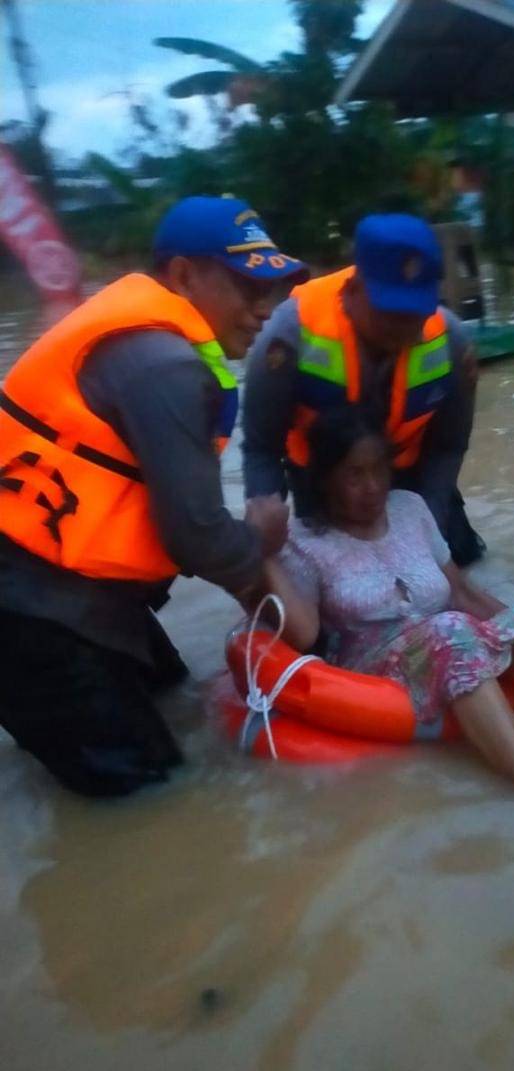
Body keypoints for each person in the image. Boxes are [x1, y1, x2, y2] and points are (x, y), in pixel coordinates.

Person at [0, 195, 308, 798]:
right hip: (34, 612)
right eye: (248, 287)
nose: (263, 309)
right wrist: (260, 541)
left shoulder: (147, 341)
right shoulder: (165, 362)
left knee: (175, 694)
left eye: (272, 289)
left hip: (65, 592)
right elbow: (194, 534)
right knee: (152, 797)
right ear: (185, 275)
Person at [261, 409, 514, 798]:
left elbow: (459, 591)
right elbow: (303, 633)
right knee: (449, 633)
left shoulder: (409, 508)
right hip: (374, 665)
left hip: (446, 640)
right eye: (354, 475)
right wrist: (266, 555)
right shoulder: (304, 541)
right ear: (325, 479)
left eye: (379, 470)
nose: (373, 486)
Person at [242, 212, 486, 568]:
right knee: (330, 581)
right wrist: (268, 552)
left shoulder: (451, 342)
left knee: (447, 570)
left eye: (416, 314)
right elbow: (262, 449)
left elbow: (448, 447)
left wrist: (425, 532)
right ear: (353, 290)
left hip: (409, 477)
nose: (406, 331)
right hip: (321, 482)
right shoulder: (289, 336)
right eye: (391, 314)